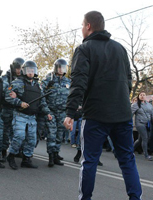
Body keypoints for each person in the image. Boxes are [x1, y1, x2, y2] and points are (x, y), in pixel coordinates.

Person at [63, 11, 142, 200]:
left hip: (95, 115)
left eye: (82, 25)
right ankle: (135, 198)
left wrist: (70, 112)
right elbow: (128, 81)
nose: (82, 28)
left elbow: (78, 82)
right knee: (127, 160)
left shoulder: (84, 49)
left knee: (89, 161)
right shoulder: (120, 49)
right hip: (122, 114)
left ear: (88, 26)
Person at [5, 60, 52, 170]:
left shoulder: (37, 86)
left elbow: (42, 102)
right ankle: (11, 156)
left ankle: (26, 159)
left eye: (32, 70)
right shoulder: (17, 83)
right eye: (28, 70)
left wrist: (47, 113)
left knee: (31, 139)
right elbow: (8, 96)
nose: (30, 73)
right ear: (24, 71)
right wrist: (20, 103)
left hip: (32, 117)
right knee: (19, 136)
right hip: (20, 115)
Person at [42, 58, 71, 166]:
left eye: (63, 68)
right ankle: (50, 156)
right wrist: (46, 111)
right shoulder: (48, 80)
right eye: (59, 67)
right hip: (51, 112)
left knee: (59, 135)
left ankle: (56, 154)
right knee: (51, 134)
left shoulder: (68, 81)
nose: (61, 69)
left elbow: (71, 96)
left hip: (62, 112)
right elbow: (41, 95)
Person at [1, 57, 24, 161]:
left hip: (18, 110)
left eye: (21, 68)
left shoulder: (23, 80)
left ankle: (16, 151)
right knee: (5, 132)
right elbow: (5, 94)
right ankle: (2, 152)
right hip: (6, 109)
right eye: (17, 68)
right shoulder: (5, 78)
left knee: (17, 132)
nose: (19, 70)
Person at [131, 91, 153, 161]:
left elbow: (152, 114)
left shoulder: (149, 105)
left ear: (146, 96)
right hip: (140, 123)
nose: (142, 96)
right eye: (141, 95)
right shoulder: (135, 105)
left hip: (148, 124)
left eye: (144, 95)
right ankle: (146, 155)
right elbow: (130, 114)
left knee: (140, 139)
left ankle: (130, 151)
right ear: (138, 96)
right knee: (145, 138)